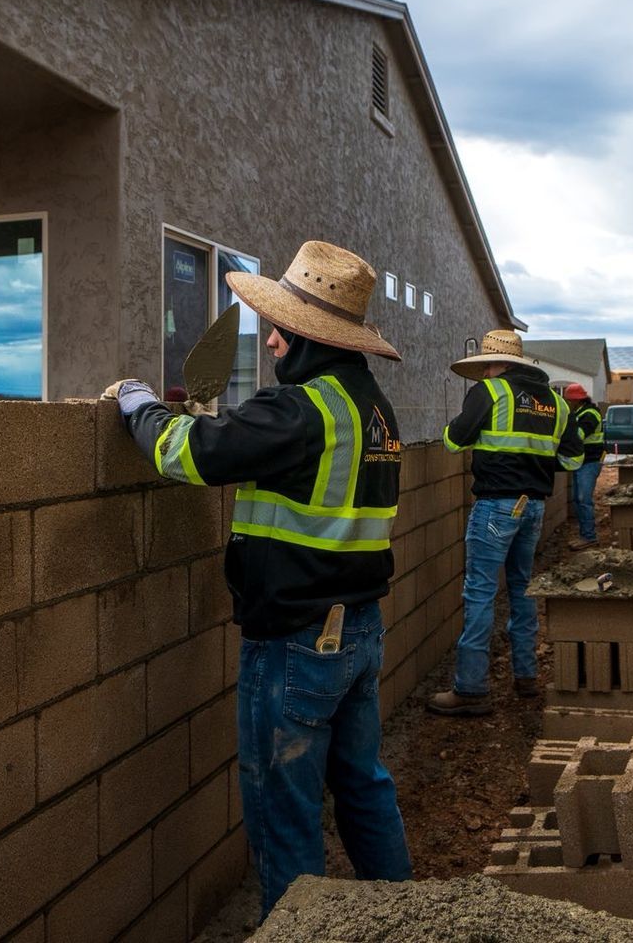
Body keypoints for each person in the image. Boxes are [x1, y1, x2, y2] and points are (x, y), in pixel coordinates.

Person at [101, 240, 412, 918]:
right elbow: (280, 457)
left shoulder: (301, 410)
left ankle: (296, 931)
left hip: (295, 643)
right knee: (361, 784)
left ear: (307, 336)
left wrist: (139, 407)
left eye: (280, 329)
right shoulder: (373, 409)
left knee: (284, 808)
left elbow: (191, 454)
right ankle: (408, 917)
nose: (270, 341)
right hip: (357, 629)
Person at [428, 329, 584, 716]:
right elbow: (572, 460)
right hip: (533, 507)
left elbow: (453, 441)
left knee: (480, 592)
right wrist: (535, 459)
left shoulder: (491, 392)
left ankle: (471, 689)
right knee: (521, 588)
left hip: (496, 505)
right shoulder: (556, 402)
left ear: (490, 364)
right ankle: (526, 676)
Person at [562, 382, 605, 551]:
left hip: (590, 462)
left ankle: (589, 536)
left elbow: (578, 435)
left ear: (575, 401)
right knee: (578, 499)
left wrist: (567, 423)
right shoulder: (580, 412)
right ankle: (584, 534)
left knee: (583, 500)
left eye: (568, 401)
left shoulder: (590, 414)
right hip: (582, 462)